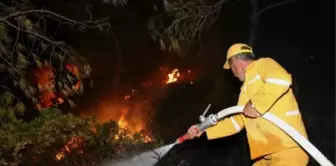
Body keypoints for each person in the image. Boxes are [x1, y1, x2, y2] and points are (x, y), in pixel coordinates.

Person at [187, 43, 309, 165]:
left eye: (231, 67)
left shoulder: (263, 64)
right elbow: (238, 121)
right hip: (265, 153)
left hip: (287, 148)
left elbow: (281, 79)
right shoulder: (246, 89)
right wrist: (204, 129)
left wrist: (255, 104)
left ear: (235, 60)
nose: (233, 73)